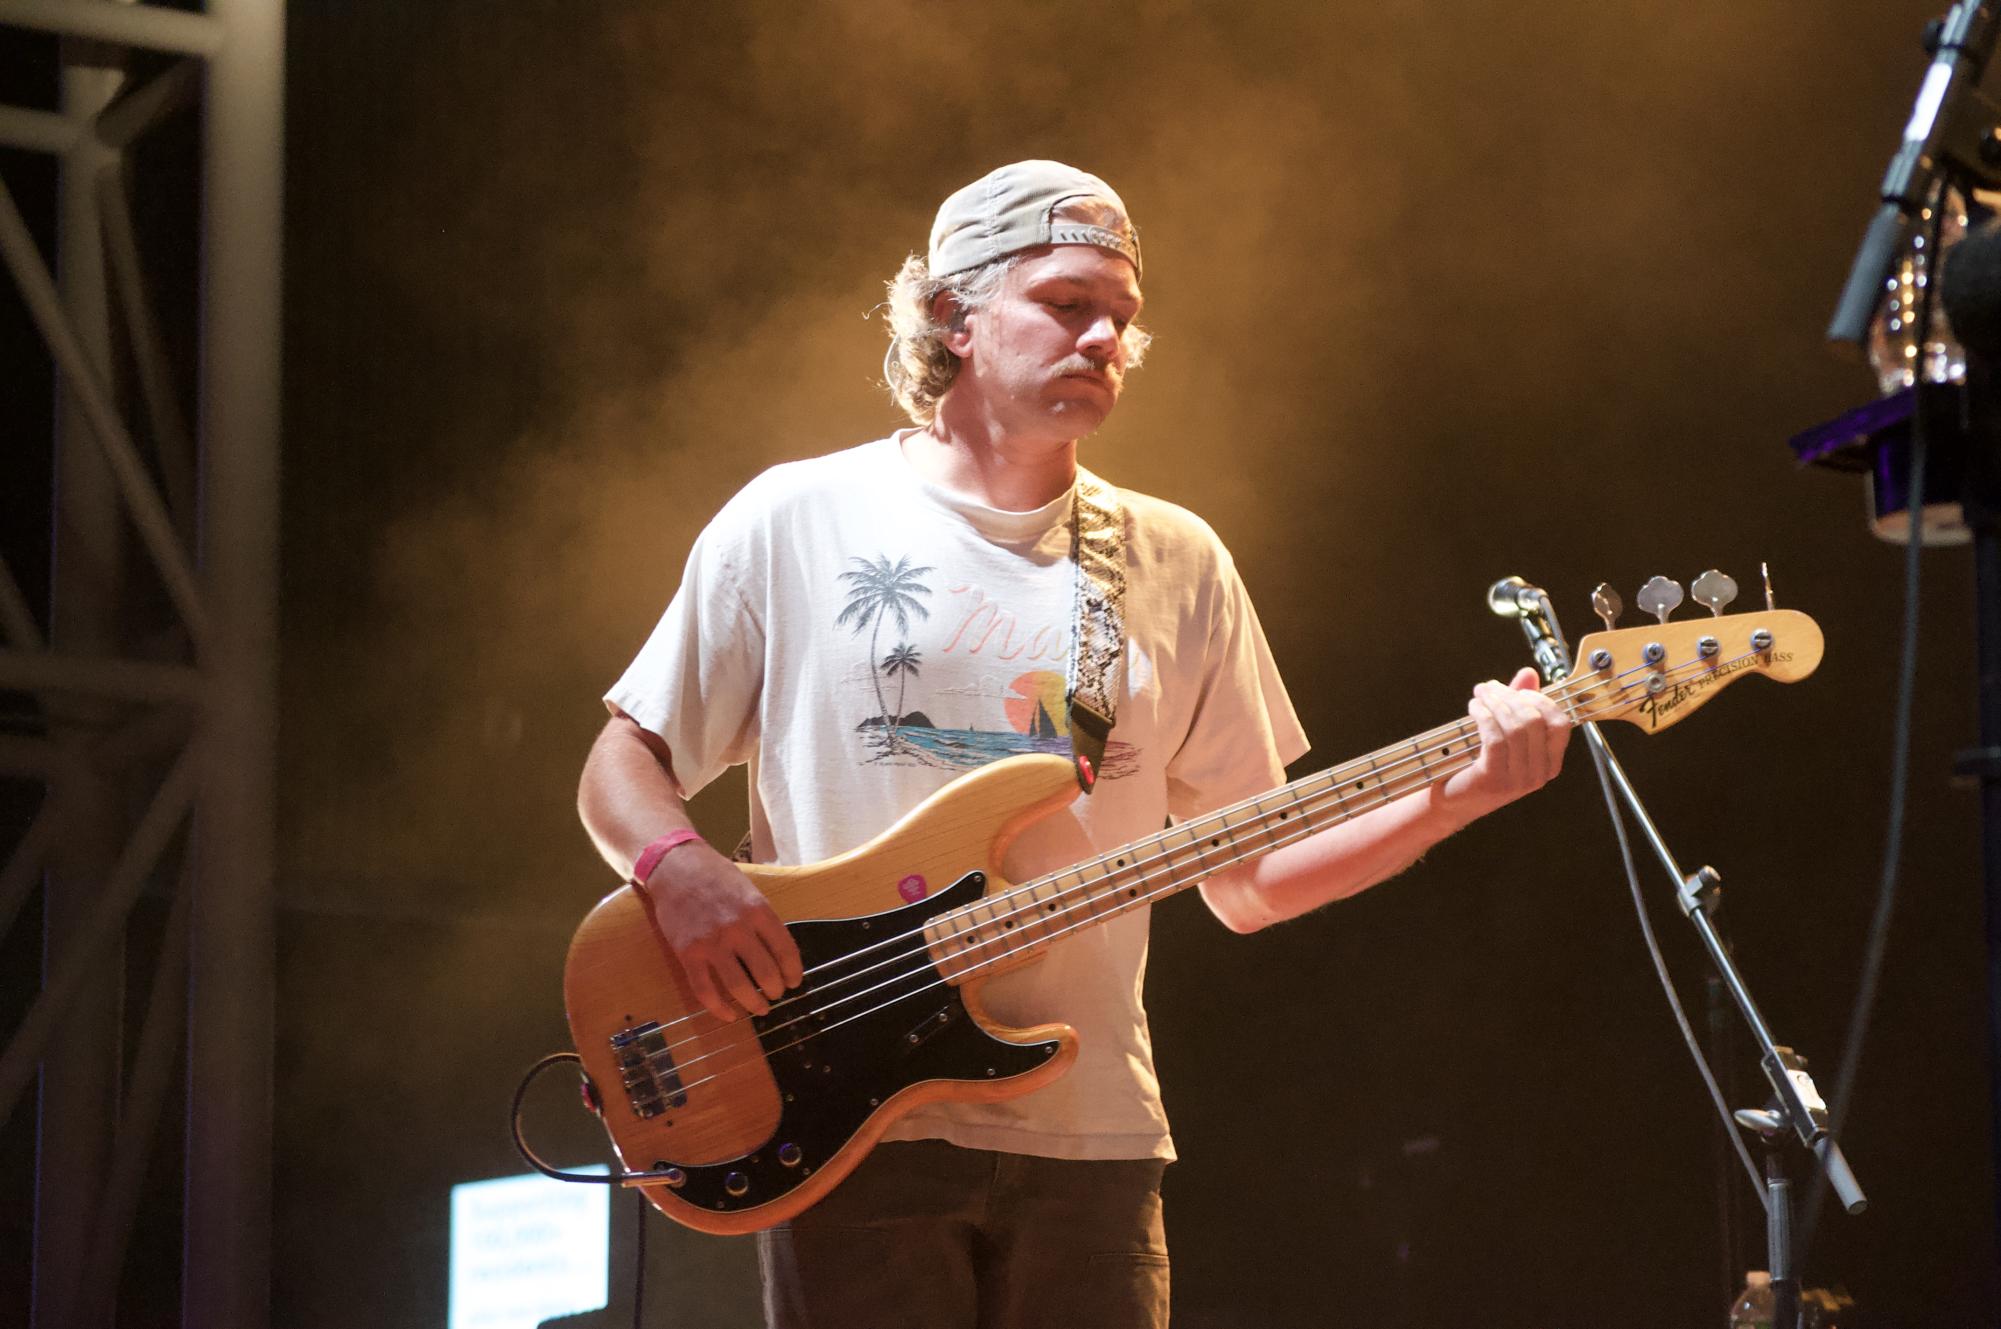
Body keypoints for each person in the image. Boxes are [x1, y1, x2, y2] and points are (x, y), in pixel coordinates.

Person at [576, 160, 1569, 1329]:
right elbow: (620, 764)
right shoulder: (798, 519)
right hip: (846, 1118)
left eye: (1123, 318)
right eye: (1066, 303)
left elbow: (1247, 884)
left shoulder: (1172, 559)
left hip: (1093, 1136)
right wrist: (677, 871)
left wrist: (1455, 797)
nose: (1105, 337)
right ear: (953, 312)